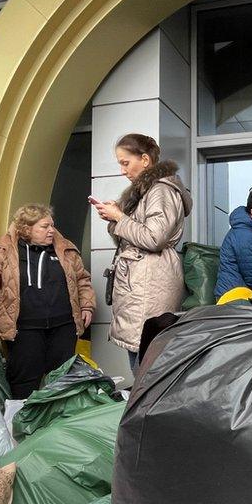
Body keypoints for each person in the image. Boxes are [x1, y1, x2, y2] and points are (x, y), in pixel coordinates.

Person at [93, 134, 192, 369]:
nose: (122, 170)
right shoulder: (145, 192)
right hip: (142, 282)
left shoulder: (161, 190)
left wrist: (119, 217)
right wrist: (116, 217)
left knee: (146, 364)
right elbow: (131, 237)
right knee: (142, 360)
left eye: (125, 163)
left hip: (150, 283)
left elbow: (154, 238)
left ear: (145, 159)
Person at [0, 204, 96, 398]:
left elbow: (82, 279)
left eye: (52, 225)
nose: (51, 230)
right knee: (24, 379)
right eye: (44, 226)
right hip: (24, 329)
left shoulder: (66, 250)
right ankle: (23, 421)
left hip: (64, 327)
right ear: (27, 228)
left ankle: (58, 422)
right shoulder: (2, 251)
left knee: (61, 378)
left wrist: (87, 305)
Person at [214, 187, 252, 301]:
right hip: (233, 295)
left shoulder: (248, 234)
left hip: (239, 292)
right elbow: (251, 277)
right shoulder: (244, 236)